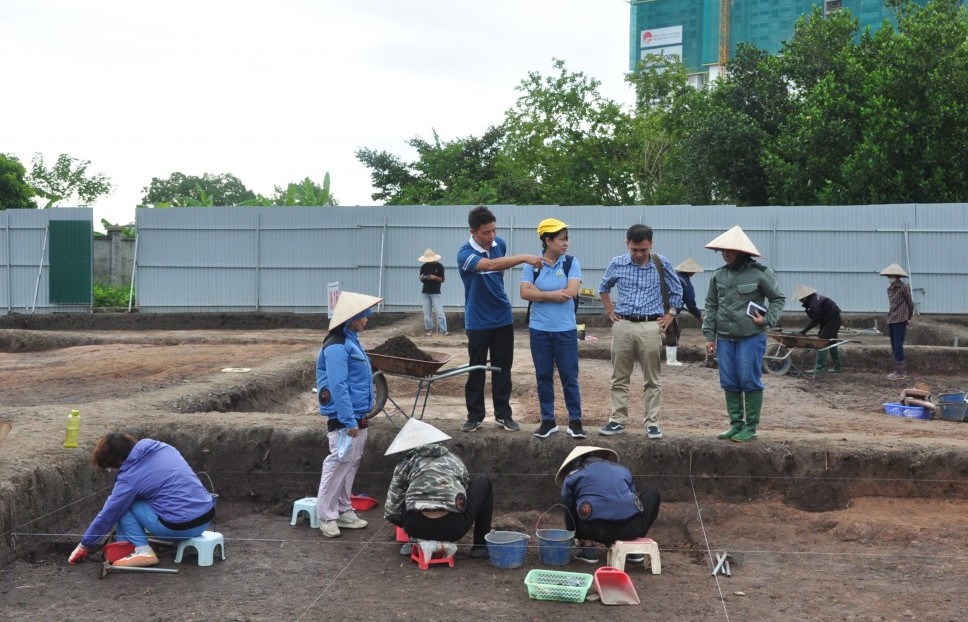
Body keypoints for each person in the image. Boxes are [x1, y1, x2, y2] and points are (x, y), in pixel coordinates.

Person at [457, 205, 547, 433]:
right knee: (476, 368)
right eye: (486, 232)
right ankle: (474, 415)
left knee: (502, 369)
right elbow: (488, 266)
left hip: (502, 318)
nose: (492, 236)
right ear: (473, 231)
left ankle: (503, 415)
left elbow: (498, 271)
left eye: (494, 230)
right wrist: (524, 258)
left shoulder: (500, 245)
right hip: (477, 320)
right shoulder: (465, 254)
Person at [67, 433, 216, 568]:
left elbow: (109, 514)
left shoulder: (129, 478)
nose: (111, 472)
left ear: (118, 461)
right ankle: (125, 545)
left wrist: (84, 544)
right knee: (134, 501)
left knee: (124, 505)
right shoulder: (163, 448)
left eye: (110, 468)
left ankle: (143, 551)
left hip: (180, 528)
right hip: (205, 518)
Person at [598, 224, 683, 440]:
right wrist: (610, 312)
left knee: (652, 378)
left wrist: (670, 315)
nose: (638, 254)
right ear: (627, 244)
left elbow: (677, 290)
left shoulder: (660, 263)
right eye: (634, 249)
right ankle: (617, 420)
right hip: (623, 324)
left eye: (643, 250)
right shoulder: (617, 263)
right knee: (619, 377)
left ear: (651, 245)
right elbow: (603, 287)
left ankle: (652, 422)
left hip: (650, 326)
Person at [702, 226, 786, 443]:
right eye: (722, 250)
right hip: (725, 337)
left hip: (751, 336)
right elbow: (711, 305)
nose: (725, 253)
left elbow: (777, 298)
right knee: (729, 380)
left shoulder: (760, 274)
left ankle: (750, 427)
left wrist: (766, 320)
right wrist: (709, 336)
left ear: (742, 252)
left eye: (730, 250)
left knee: (749, 380)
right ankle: (736, 424)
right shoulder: (718, 275)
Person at [315, 290, 383, 538]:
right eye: (363, 315)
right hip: (344, 417)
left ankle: (343, 509)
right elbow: (338, 385)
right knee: (338, 461)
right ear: (351, 318)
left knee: (351, 461)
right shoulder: (336, 346)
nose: (367, 318)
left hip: (357, 413)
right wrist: (348, 420)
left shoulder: (352, 340)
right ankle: (325, 514)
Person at [384, 418, 493, 559]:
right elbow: (464, 495)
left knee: (403, 493)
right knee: (483, 481)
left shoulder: (404, 465)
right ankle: (480, 546)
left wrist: (408, 526)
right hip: (453, 527)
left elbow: (391, 510)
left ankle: (416, 540)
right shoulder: (454, 460)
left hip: (416, 526)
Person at [520, 218, 585, 440]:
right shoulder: (532, 265)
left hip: (565, 330)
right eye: (561, 239)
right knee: (543, 375)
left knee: (569, 376)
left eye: (567, 239)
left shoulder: (571, 263)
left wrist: (539, 294)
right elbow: (524, 293)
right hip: (539, 330)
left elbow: (572, 291)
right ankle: (548, 421)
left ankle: (575, 421)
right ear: (547, 240)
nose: (565, 243)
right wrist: (551, 295)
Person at [557, 446, 661, 564]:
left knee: (576, 502)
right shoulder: (624, 470)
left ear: (577, 461)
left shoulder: (573, 476)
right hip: (631, 530)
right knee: (652, 494)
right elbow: (633, 497)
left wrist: (574, 534)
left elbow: (568, 506)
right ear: (603, 457)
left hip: (594, 530)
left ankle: (588, 549)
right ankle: (633, 550)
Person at [794, 284, 843, 374]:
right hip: (828, 319)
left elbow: (816, 319)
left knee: (822, 341)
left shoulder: (814, 302)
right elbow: (821, 318)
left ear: (806, 296)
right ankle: (837, 367)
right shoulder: (814, 299)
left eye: (801, 299)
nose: (800, 301)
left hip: (833, 320)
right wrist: (821, 331)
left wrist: (804, 331)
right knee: (832, 342)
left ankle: (820, 368)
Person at [666, 257, 705, 367]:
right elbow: (690, 303)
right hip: (670, 311)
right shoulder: (685, 282)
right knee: (672, 332)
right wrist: (699, 316)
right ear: (691, 272)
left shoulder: (672, 277)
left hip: (656, 309)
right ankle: (671, 360)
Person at [880, 263, 914, 380]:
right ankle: (897, 368)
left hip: (901, 318)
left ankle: (901, 371)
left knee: (898, 345)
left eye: (892, 275)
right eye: (889, 275)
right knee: (894, 345)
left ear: (897, 276)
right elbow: (892, 305)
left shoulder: (903, 287)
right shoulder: (889, 289)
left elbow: (910, 303)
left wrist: (908, 317)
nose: (890, 277)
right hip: (892, 318)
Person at [418, 248, 448, 336]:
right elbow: (421, 279)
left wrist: (434, 277)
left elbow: (442, 280)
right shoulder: (423, 267)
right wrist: (422, 277)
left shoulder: (439, 266)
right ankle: (429, 329)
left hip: (435, 292)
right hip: (425, 291)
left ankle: (443, 330)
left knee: (439, 312)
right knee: (427, 313)